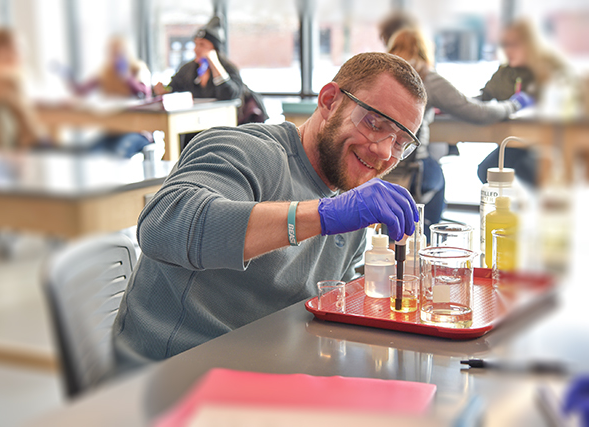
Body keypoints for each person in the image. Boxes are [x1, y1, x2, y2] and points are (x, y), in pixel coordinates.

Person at [112, 52, 426, 369]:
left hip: (270, 374)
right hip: (172, 378)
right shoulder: (243, 151)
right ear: (330, 102)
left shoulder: (353, 200)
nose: (385, 151)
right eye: (374, 123)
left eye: (400, 142)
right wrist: (322, 215)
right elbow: (162, 228)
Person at [386, 27, 533, 232]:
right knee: (437, 175)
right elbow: (478, 113)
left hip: (379, 168)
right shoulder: (425, 78)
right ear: (424, 50)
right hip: (414, 170)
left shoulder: (382, 76)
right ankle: (429, 235)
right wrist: (514, 104)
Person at [477, 18, 569, 187]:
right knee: (486, 171)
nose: (508, 50)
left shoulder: (549, 69)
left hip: (548, 142)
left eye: (514, 45)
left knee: (530, 172)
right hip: (515, 141)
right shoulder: (505, 73)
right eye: (505, 45)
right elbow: (485, 96)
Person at [154, 15, 266, 145]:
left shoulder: (228, 68)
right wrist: (163, 90)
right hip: (191, 128)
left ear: (214, 48)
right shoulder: (188, 69)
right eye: (195, 44)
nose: (196, 49)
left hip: (224, 129)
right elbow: (173, 89)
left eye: (202, 45)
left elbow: (229, 95)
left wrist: (214, 63)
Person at [65, 36, 153, 158]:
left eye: (119, 53)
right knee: (89, 154)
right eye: (112, 53)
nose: (116, 57)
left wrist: (126, 77)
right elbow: (82, 90)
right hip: (114, 131)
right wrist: (68, 77)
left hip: (137, 132)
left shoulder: (139, 69)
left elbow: (143, 93)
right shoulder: (106, 73)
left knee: (119, 153)